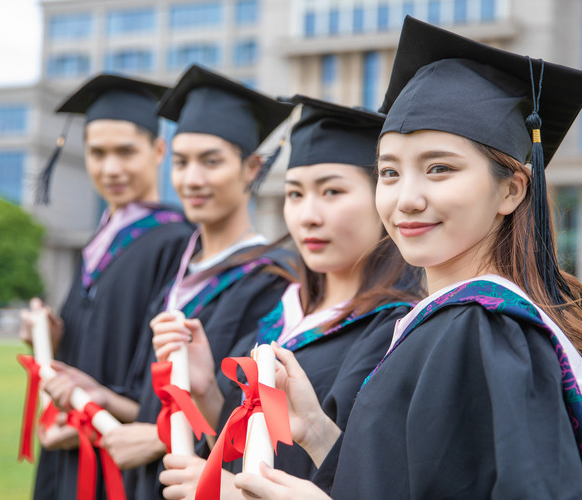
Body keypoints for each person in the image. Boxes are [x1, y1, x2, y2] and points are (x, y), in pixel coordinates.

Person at [232, 17, 582, 500]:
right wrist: (316, 431)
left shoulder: (483, 331)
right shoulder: (443, 325)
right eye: (389, 172)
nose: (406, 198)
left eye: (439, 168)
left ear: (511, 190)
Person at [153, 95, 423, 500]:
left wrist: (233, 492)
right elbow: (240, 450)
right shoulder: (279, 309)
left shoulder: (397, 333)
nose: (308, 215)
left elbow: (375, 483)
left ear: (382, 196)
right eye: (295, 194)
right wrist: (207, 390)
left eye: (332, 192)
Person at [89, 65, 296, 500]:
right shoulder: (176, 273)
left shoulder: (270, 280)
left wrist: (155, 437)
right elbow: (154, 400)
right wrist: (101, 397)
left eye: (212, 161)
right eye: (181, 162)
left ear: (251, 168)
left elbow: (254, 419)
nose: (192, 179)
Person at [17, 74, 195, 500]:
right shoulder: (99, 241)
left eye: (126, 151)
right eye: (97, 153)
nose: (110, 168)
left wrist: (100, 416)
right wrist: (55, 337)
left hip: (118, 466)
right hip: (66, 446)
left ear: (158, 151)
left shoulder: (176, 240)